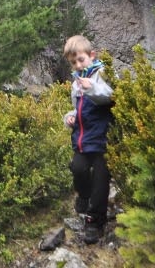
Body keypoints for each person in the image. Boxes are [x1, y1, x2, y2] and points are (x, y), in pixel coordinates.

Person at [62, 34, 114, 244]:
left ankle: (94, 221)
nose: (77, 64)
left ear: (92, 55)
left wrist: (91, 87)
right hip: (82, 140)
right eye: (73, 62)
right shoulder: (76, 83)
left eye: (81, 59)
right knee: (78, 169)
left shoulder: (102, 73)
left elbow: (109, 96)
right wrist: (70, 117)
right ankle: (84, 196)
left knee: (101, 179)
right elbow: (76, 109)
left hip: (102, 140)